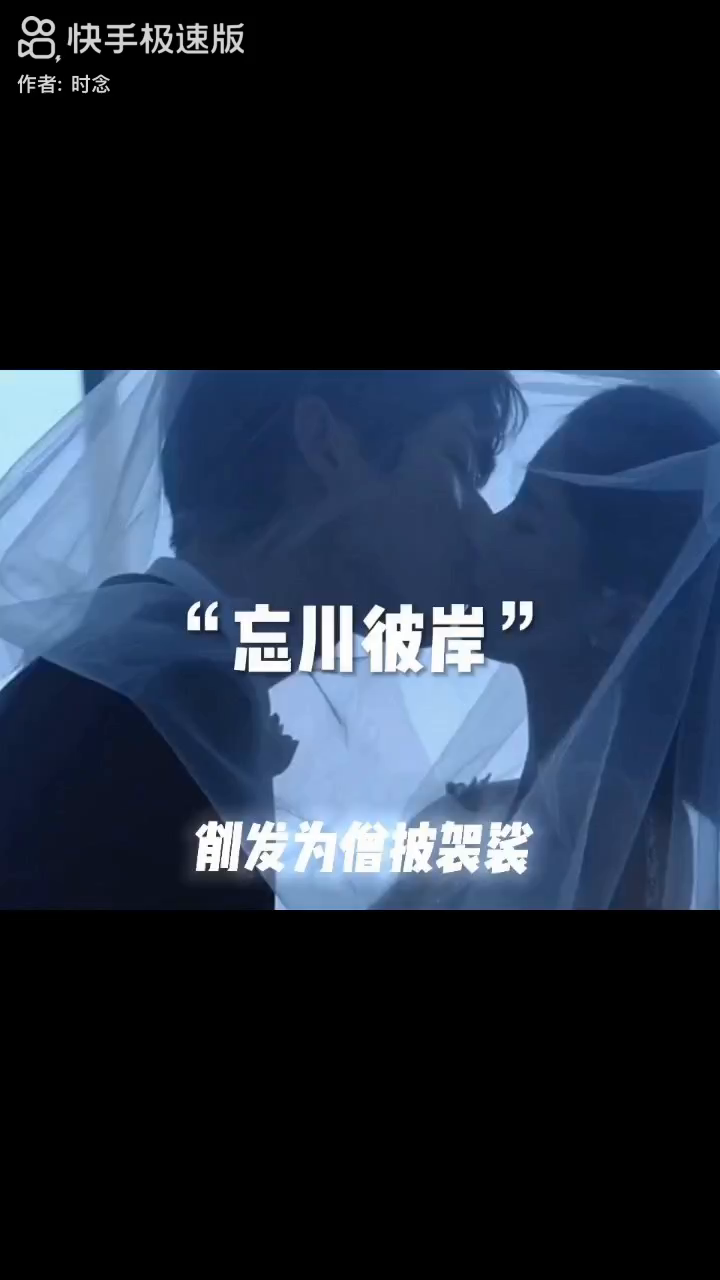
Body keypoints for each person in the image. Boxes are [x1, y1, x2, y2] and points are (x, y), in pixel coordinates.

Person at [0, 370, 526, 909]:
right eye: (458, 462)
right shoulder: (161, 711)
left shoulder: (142, 678)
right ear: (326, 445)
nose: (482, 523)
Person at [377, 385, 720, 910]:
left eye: (525, 521)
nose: (484, 529)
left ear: (615, 618)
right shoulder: (505, 809)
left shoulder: (603, 821)